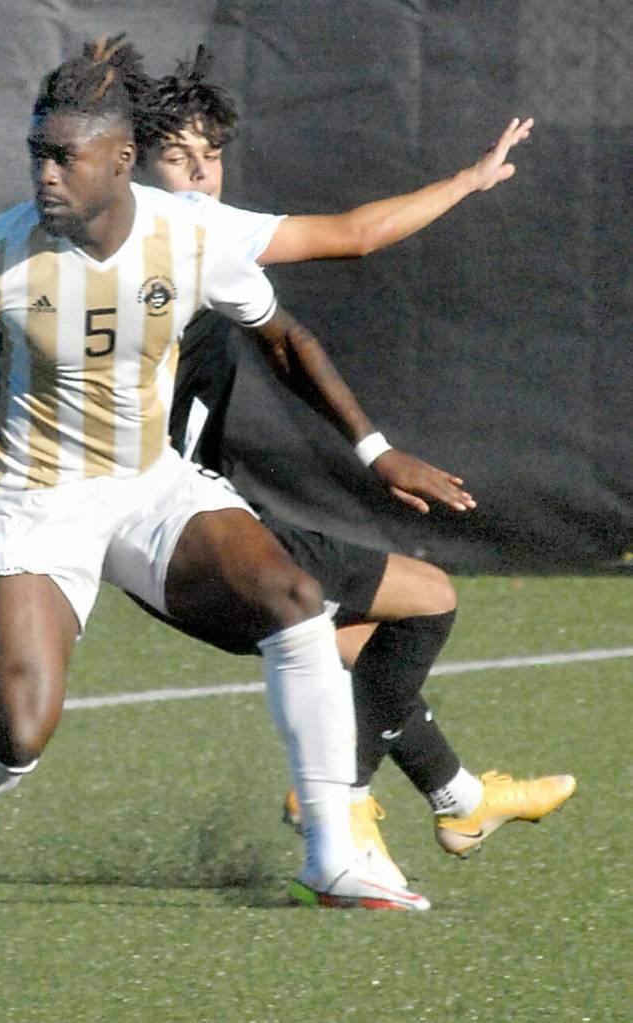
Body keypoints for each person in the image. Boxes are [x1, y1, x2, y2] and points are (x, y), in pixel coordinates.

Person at [0, 37, 479, 911]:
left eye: (62, 157)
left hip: (150, 485)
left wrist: (375, 450)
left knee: (294, 597)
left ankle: (331, 852)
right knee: (20, 732)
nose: (43, 175)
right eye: (36, 154)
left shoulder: (190, 236)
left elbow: (282, 339)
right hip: (34, 499)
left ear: (121, 161)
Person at [131, 46, 574, 879]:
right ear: (133, 163)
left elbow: (286, 342)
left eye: (209, 156)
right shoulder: (179, 229)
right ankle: (334, 799)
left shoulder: (150, 237)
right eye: (175, 156)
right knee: (428, 597)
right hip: (175, 531)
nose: (197, 175)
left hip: (171, 527)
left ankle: (459, 798)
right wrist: (467, 181)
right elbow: (356, 236)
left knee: (363, 647)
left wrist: (374, 452)